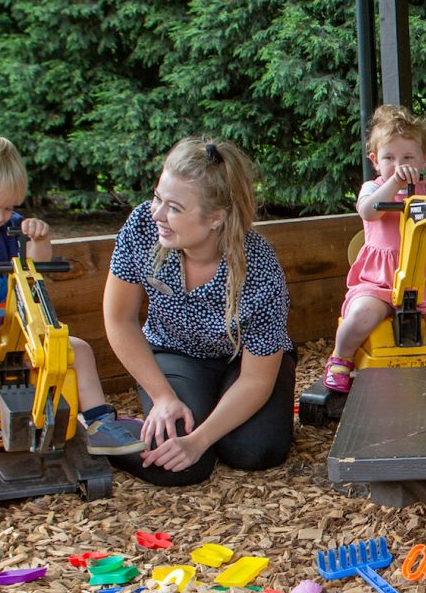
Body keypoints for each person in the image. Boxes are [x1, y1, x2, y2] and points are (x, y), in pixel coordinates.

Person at [0, 133, 141, 535]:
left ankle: (100, 423)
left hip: (17, 333)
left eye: (9, 207)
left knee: (76, 351)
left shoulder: (12, 230)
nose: (0, 217)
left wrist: (40, 240)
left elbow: (37, 270)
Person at [101, 137, 296, 487]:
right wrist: (162, 397)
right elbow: (119, 319)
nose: (157, 213)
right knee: (179, 464)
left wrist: (199, 439)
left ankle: (212, 423)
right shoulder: (141, 229)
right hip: (174, 354)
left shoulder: (260, 268)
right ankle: (104, 431)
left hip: (244, 363)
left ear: (216, 218)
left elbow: (255, 378)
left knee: (256, 451)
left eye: (174, 208)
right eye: (158, 197)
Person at [323, 104, 426, 391]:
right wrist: (395, 184)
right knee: (360, 315)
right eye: (389, 157)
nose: (399, 164)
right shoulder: (372, 188)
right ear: (375, 160)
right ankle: (341, 357)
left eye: (408, 157)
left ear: (424, 159)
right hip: (380, 279)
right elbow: (368, 211)